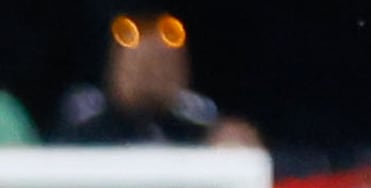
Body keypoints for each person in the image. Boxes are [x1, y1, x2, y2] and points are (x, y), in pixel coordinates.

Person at [50, 13, 234, 145]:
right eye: (141, 66)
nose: (151, 76)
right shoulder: (85, 121)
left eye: (163, 66)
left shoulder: (199, 123)